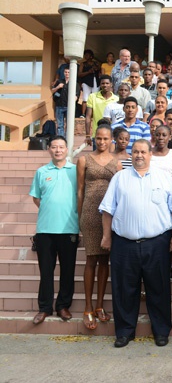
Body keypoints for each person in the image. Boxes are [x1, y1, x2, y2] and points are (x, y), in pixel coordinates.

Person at [99, 139, 172, 348]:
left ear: (150, 154)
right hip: (124, 244)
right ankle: (125, 332)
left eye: (143, 152)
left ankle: (161, 331)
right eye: (135, 152)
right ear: (131, 154)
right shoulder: (119, 178)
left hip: (157, 243)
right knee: (124, 289)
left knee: (159, 288)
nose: (139, 155)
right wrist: (106, 237)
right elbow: (108, 209)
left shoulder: (164, 178)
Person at [30, 136, 79, 325]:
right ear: (49, 149)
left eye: (61, 147)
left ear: (67, 149)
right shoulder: (42, 172)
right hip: (45, 230)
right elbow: (36, 198)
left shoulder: (75, 171)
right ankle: (44, 308)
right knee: (46, 271)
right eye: (54, 147)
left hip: (69, 229)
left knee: (68, 270)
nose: (58, 150)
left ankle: (63, 306)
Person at [77, 124, 121, 330]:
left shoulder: (118, 163)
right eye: (99, 138)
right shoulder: (84, 159)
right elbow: (80, 190)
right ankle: (87, 306)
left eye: (105, 139)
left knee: (105, 260)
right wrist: (79, 216)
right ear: (94, 138)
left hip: (109, 214)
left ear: (111, 139)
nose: (102, 142)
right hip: (89, 213)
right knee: (91, 259)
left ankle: (100, 305)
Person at [85, 75, 118, 146]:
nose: (105, 85)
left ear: (111, 84)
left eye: (107, 83)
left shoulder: (116, 99)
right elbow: (88, 116)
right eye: (103, 83)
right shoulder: (92, 97)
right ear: (100, 85)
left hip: (112, 136)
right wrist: (87, 135)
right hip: (97, 135)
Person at [51, 67, 80, 136]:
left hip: (69, 107)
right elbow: (52, 91)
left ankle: (67, 140)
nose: (67, 74)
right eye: (65, 72)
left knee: (69, 125)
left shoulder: (74, 83)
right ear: (64, 73)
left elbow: (77, 95)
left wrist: (73, 101)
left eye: (68, 72)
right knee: (60, 124)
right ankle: (61, 139)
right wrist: (58, 87)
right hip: (59, 105)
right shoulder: (59, 81)